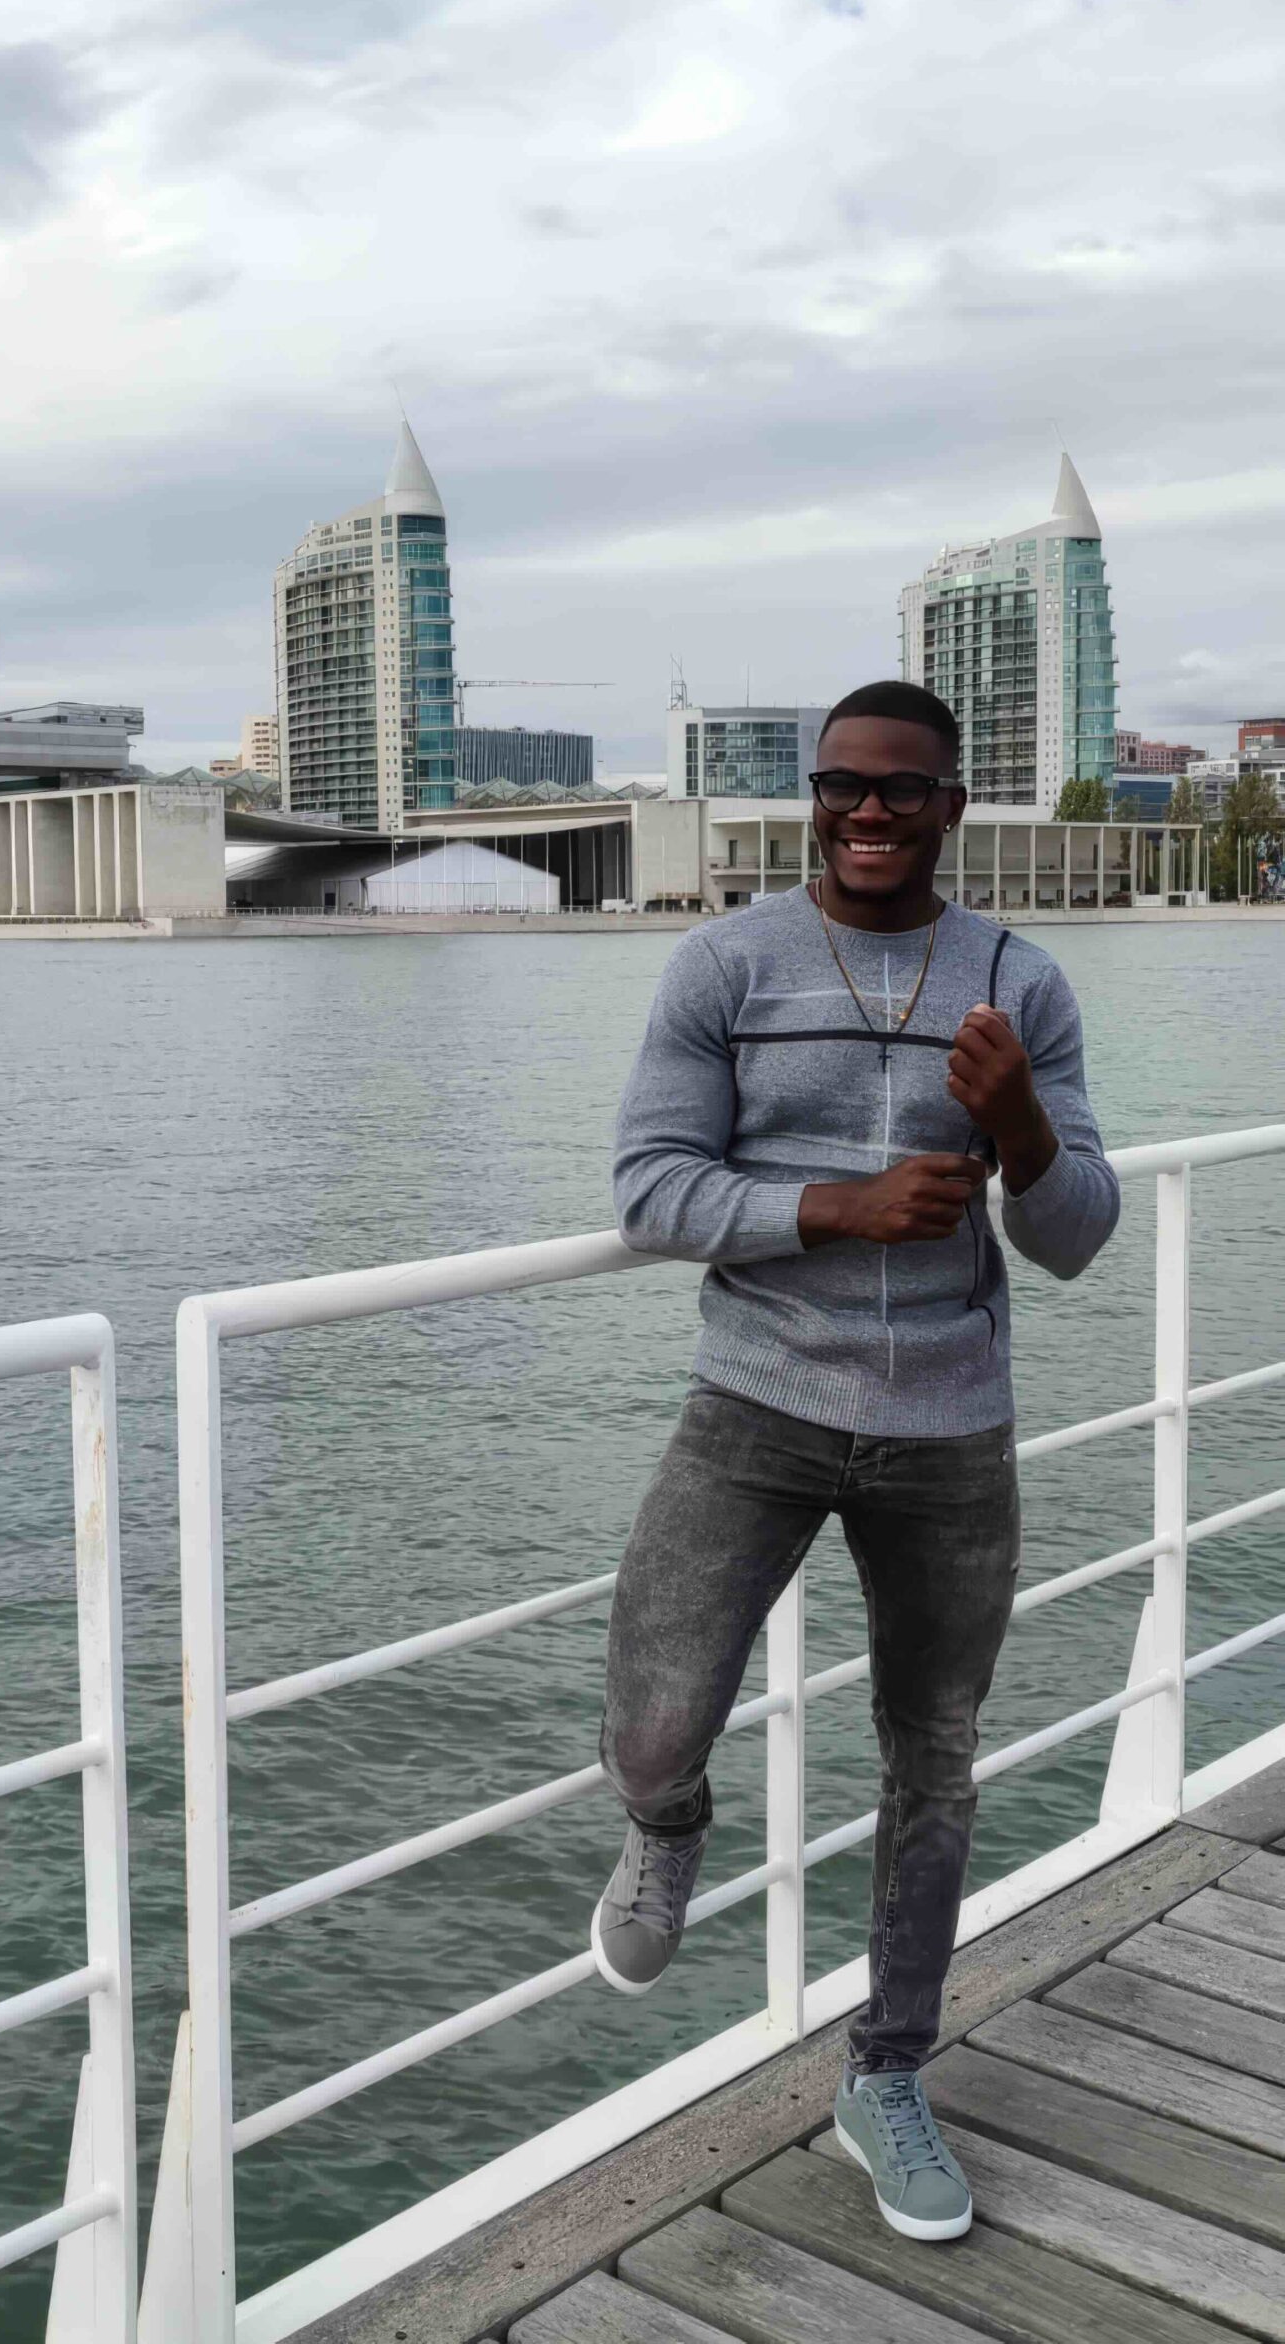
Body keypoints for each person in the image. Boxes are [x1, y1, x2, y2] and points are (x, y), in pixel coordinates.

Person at [592, 679, 1119, 2242]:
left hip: (952, 1428)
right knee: (654, 1707)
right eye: (843, 786)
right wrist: (838, 1208)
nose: (870, 812)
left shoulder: (1022, 983)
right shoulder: (727, 963)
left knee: (933, 1765)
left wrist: (1018, 1118)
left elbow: (1077, 1236)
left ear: (956, 806)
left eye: (904, 790)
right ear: (811, 800)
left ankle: (886, 2074)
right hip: (755, 1400)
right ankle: (667, 1830)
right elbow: (647, 1188)